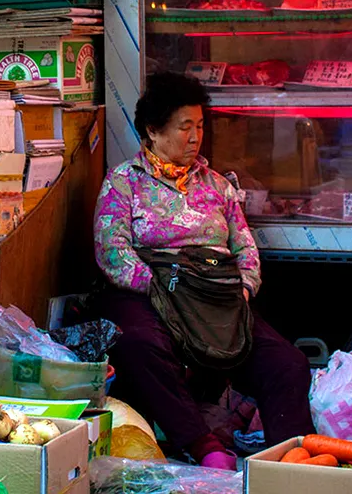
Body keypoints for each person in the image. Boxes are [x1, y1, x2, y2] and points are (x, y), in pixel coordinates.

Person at [93, 72, 315, 470]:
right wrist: (161, 290)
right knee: (138, 345)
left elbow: (245, 247)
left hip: (216, 295)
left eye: (200, 126)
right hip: (150, 291)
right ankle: (202, 444)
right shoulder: (123, 183)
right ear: (153, 130)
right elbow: (112, 252)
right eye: (184, 127)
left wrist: (243, 290)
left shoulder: (217, 186)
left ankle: (291, 463)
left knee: (287, 363)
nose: (195, 137)